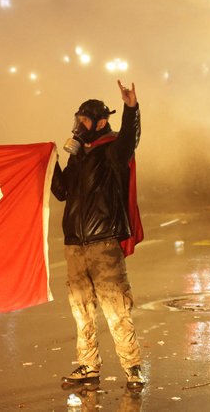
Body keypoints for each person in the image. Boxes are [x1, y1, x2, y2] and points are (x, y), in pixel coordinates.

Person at [51, 81, 145, 390]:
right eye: (77, 120)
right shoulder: (78, 157)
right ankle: (88, 366)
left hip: (104, 243)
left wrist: (131, 109)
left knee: (116, 309)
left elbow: (130, 139)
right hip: (75, 247)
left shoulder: (112, 152)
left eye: (84, 120)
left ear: (100, 122)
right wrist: (50, 164)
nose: (79, 126)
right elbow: (62, 192)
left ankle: (132, 367)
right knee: (82, 312)